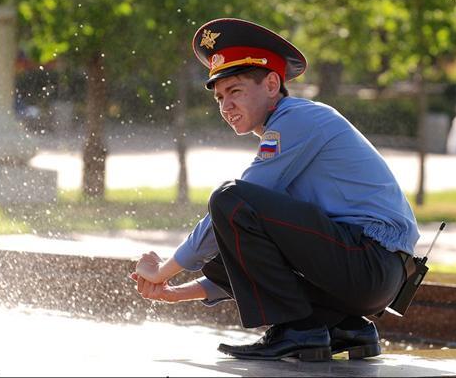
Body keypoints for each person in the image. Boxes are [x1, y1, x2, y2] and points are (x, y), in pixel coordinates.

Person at [130, 18, 420, 362]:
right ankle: (344, 327)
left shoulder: (297, 119)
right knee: (244, 215)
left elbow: (233, 208)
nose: (225, 106)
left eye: (235, 91)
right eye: (220, 97)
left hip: (368, 266)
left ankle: (298, 330)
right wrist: (177, 293)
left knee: (230, 198)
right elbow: (255, 250)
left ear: (271, 84)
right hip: (372, 278)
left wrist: (163, 269)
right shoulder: (293, 135)